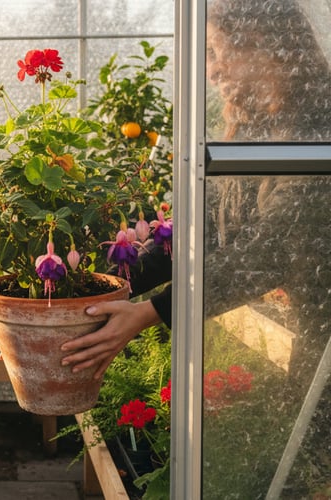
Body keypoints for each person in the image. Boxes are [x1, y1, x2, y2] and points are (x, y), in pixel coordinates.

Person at [60, 0, 331, 382]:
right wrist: (79, 288)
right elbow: (198, 233)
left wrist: (151, 310)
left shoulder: (317, 127)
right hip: (315, 341)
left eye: (216, 52)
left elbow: (274, 247)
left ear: (261, 45)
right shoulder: (257, 126)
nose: (212, 71)